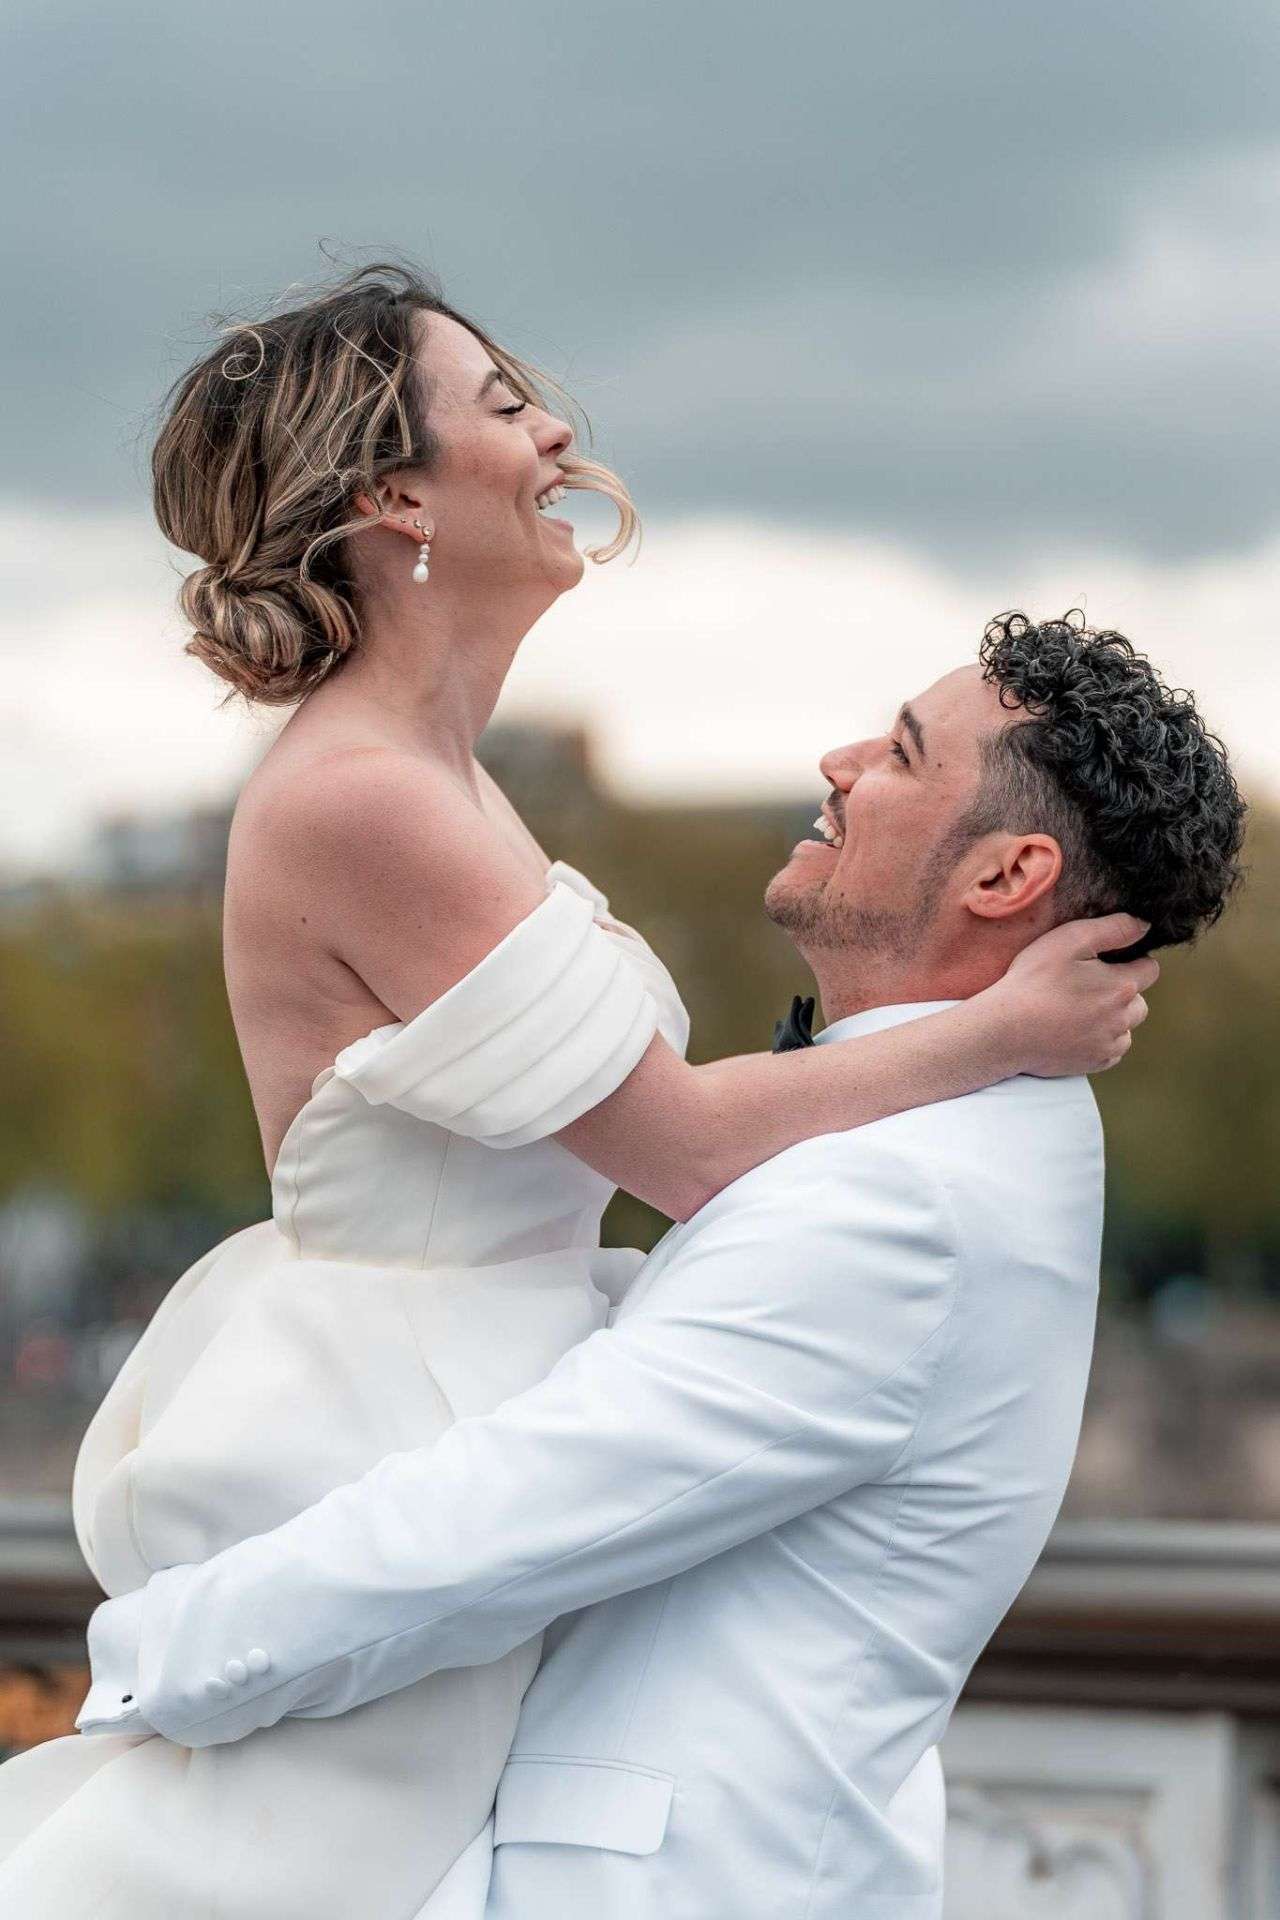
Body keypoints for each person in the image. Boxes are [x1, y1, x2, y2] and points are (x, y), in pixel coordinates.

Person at [0, 253, 1150, 1920]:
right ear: (397, 495)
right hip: (387, 1417)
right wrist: (1003, 1033)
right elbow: (681, 1149)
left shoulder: (441, 782)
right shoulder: (365, 799)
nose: (555, 432)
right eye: (503, 403)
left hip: (466, 1392)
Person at [74, 613, 1244, 1920]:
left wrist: (152, 1653)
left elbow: (504, 1520)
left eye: (902, 754)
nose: (842, 762)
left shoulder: (898, 1201)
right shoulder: (963, 1132)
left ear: (1008, 873)